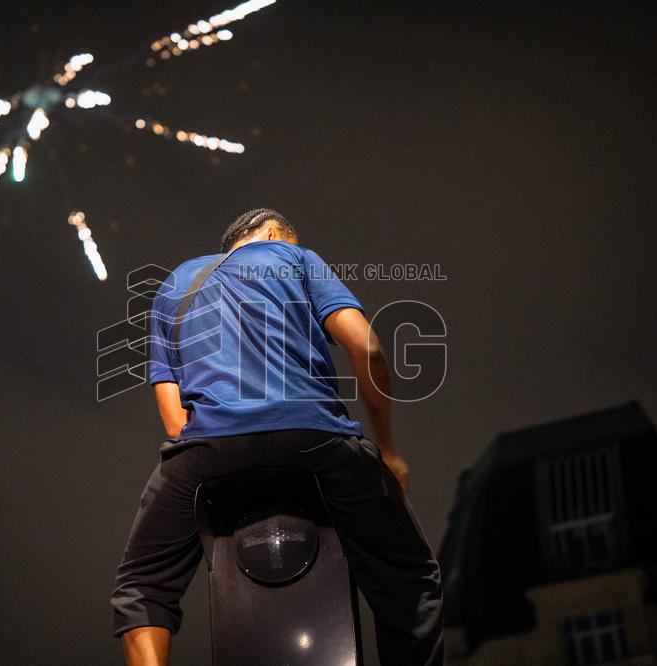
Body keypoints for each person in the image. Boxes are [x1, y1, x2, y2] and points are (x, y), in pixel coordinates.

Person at [111, 208, 444, 665]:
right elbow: (368, 348)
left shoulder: (175, 285)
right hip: (316, 438)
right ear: (270, 233)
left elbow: (174, 422)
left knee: (142, 587)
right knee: (409, 579)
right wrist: (387, 450)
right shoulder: (299, 260)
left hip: (210, 447)